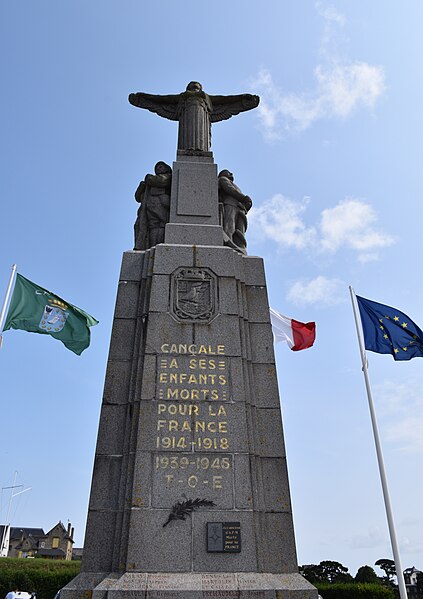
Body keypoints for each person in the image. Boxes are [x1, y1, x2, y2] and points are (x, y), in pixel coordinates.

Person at [129, 82, 259, 153]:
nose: (194, 88)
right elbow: (162, 99)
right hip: (186, 120)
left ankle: (201, 151)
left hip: (202, 118)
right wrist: (143, 98)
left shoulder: (206, 97)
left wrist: (243, 99)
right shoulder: (182, 96)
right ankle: (187, 151)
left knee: (201, 142)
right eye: (192, 86)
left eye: (197, 86)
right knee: (187, 139)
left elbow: (226, 100)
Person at [134, 161, 172, 250]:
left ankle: (157, 250)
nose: (158, 168)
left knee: (159, 229)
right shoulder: (149, 184)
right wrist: (141, 186)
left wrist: (148, 178)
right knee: (144, 228)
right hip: (147, 212)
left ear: (166, 168)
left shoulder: (168, 177)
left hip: (161, 210)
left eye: (161, 166)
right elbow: (137, 197)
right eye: (157, 167)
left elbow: (159, 180)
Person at [218, 170, 252, 254]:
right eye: (228, 172)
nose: (231, 174)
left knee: (239, 229)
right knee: (229, 226)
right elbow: (230, 189)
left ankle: (239, 246)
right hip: (230, 204)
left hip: (239, 207)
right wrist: (244, 198)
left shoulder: (230, 182)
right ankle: (228, 243)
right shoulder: (223, 179)